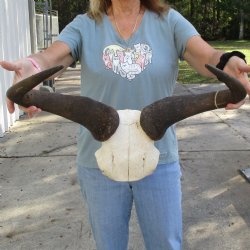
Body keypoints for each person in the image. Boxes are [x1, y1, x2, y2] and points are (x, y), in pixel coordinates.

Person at [1, 0, 250, 249]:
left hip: (158, 161)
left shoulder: (170, 21)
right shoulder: (85, 25)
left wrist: (230, 61)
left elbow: (206, 55)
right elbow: (51, 57)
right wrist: (31, 66)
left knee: (166, 244)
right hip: (98, 162)